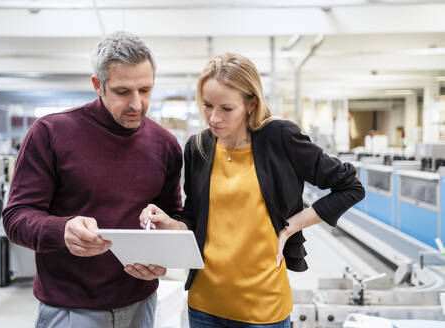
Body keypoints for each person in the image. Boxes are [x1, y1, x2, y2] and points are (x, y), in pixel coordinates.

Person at [130, 53, 365, 327]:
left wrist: (291, 226)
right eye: (207, 106)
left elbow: (350, 187)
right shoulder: (198, 147)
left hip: (264, 309)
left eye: (226, 108)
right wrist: (170, 224)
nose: (214, 118)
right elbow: (194, 219)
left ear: (251, 103)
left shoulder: (281, 138)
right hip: (204, 306)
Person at [2, 31, 183, 328]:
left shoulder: (164, 144)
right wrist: (61, 230)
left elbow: (172, 216)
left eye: (146, 90)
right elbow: (16, 218)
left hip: (141, 304)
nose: (137, 103)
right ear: (98, 85)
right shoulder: (51, 133)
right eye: (123, 92)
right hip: (71, 309)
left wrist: (161, 252)